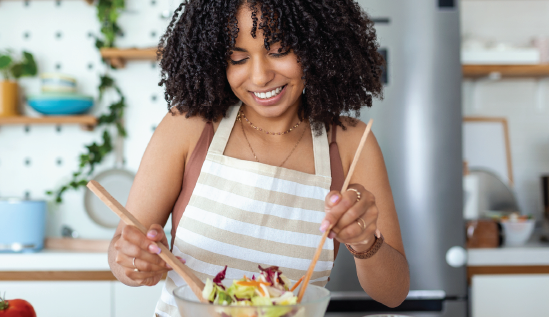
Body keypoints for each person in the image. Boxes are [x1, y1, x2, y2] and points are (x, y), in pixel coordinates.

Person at [106, 1, 410, 316]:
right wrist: (132, 260)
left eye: (279, 51)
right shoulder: (188, 126)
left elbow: (394, 293)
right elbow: (122, 249)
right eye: (238, 58)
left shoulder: (350, 142)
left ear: (317, 48)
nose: (260, 76)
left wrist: (364, 243)